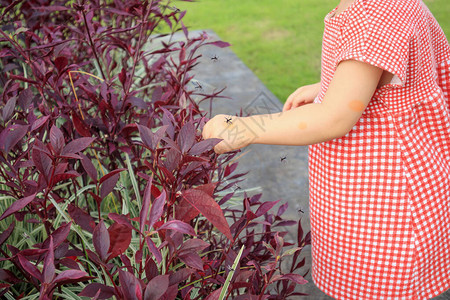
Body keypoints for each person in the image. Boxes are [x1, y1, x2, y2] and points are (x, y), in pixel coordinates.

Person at [202, 0, 450, 299]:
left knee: (378, 287)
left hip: (386, 200)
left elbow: (334, 117)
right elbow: (395, 70)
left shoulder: (376, 16)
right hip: (378, 183)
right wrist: (331, 85)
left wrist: (245, 128)